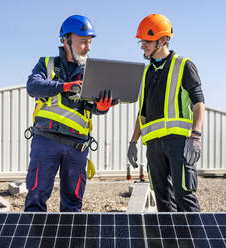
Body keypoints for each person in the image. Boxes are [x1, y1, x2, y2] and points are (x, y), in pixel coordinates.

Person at [24, 15, 118, 212]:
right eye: (83, 41)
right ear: (66, 40)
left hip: (77, 146)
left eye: (90, 42)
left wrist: (102, 107)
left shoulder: (92, 72)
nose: (88, 47)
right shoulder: (47, 64)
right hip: (46, 141)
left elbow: (93, 108)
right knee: (36, 198)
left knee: (73, 204)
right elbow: (33, 86)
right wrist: (65, 86)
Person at [127, 14, 205, 212]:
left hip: (178, 143)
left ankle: (193, 242)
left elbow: (199, 103)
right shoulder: (146, 72)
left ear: (162, 40)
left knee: (183, 197)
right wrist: (133, 142)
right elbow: (142, 113)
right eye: (141, 41)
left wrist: (195, 135)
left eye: (147, 41)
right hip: (153, 145)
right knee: (163, 202)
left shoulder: (184, 65)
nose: (143, 45)